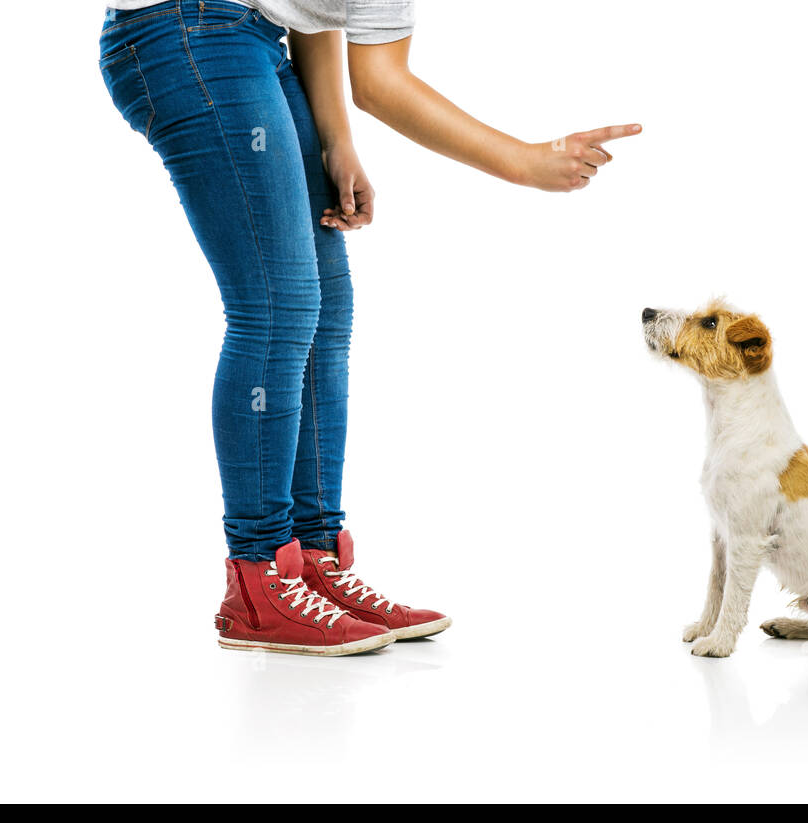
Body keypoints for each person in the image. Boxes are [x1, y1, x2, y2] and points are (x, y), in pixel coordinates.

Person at [99, 0, 641, 656]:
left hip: (255, 39)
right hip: (185, 30)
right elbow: (382, 85)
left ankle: (312, 562)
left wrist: (336, 139)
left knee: (325, 307)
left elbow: (316, 11)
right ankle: (258, 579)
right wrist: (523, 162)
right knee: (275, 308)